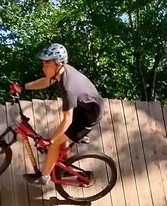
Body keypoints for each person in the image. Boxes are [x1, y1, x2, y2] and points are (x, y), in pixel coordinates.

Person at [18, 43, 104, 185]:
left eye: (47, 63)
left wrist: (52, 141)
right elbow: (46, 82)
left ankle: (44, 177)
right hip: (83, 107)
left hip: (89, 116)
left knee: (54, 144)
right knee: (61, 139)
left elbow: (67, 120)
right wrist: (23, 87)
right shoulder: (62, 70)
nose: (43, 66)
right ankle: (64, 166)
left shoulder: (68, 87)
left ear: (57, 64)